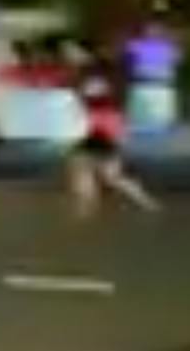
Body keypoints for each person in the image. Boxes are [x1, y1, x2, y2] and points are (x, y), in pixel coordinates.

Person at [67, 42, 161, 219]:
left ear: (85, 53)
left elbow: (94, 94)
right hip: (108, 124)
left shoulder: (95, 73)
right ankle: (147, 203)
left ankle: (85, 210)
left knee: (80, 163)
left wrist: (80, 85)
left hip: (105, 125)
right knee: (111, 175)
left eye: (74, 52)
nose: (70, 55)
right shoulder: (94, 72)